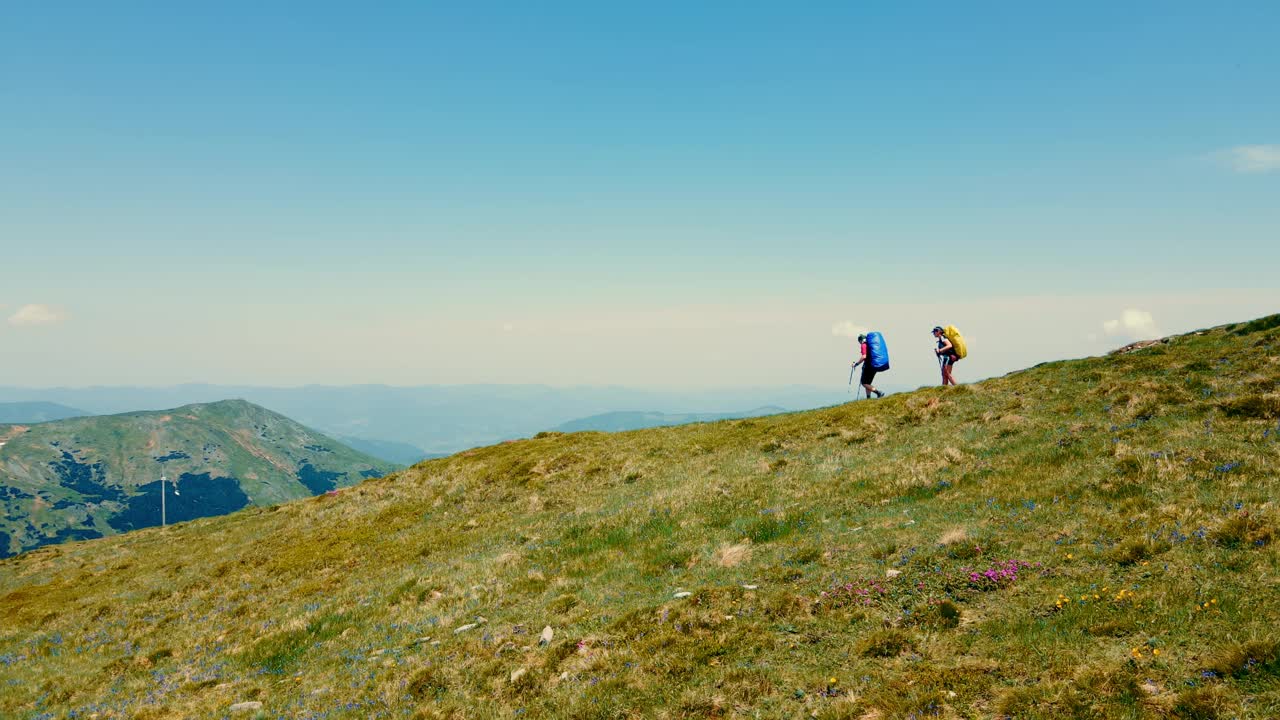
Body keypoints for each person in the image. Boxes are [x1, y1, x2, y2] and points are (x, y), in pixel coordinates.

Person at [851, 334, 885, 398]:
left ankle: (879, 393)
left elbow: (864, 356)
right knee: (867, 383)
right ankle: (868, 398)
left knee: (864, 383)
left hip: (868, 366)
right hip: (874, 365)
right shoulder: (870, 345)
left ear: (860, 340)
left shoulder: (863, 345)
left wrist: (856, 364)